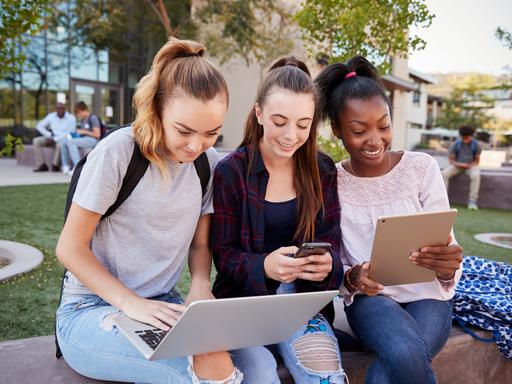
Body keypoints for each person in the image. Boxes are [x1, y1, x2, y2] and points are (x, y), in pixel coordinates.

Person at [55, 37, 273, 384]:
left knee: (261, 367)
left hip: (164, 304)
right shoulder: (118, 153)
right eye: (184, 130)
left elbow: (200, 245)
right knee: (207, 367)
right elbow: (69, 247)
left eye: (211, 134)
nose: (195, 145)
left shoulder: (206, 164)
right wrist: (131, 304)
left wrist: (200, 284)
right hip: (91, 310)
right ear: (157, 109)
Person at [315, 56, 464, 384]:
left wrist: (448, 264)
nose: (375, 139)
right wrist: (353, 278)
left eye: (383, 126)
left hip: (428, 295)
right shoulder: (331, 181)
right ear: (338, 130)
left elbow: (447, 243)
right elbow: (334, 262)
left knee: (391, 368)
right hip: (372, 299)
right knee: (403, 350)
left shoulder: (421, 168)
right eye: (358, 130)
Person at [211, 56, 347, 383]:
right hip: (242, 305)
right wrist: (264, 267)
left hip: (301, 306)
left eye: (303, 125)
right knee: (260, 376)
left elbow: (333, 250)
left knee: (325, 377)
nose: (290, 135)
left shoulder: (323, 169)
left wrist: (328, 267)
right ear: (259, 114)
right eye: (279, 121)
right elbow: (223, 254)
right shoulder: (232, 172)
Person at [442, 126, 481, 210]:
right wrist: (459, 164)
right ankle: (443, 200)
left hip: (471, 165)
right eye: (463, 137)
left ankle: (472, 201)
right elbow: (451, 160)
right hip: (457, 165)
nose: (465, 139)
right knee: (444, 173)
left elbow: (477, 161)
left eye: (467, 137)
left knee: (475, 176)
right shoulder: (456, 144)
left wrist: (468, 165)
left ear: (472, 136)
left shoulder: (476, 145)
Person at [60, 101, 101, 174]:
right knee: (64, 141)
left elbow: (97, 134)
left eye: (78, 113)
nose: (78, 115)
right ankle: (65, 166)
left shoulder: (93, 118)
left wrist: (84, 131)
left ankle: (77, 167)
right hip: (85, 139)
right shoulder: (83, 120)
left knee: (70, 142)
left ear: (82, 110)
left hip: (94, 140)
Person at [32, 102, 76, 172]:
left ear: (65, 109)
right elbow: (39, 126)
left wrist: (54, 139)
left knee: (60, 144)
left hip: (63, 140)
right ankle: (42, 165)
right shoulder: (51, 116)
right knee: (36, 141)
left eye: (62, 108)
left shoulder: (71, 118)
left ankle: (55, 165)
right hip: (51, 137)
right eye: (58, 109)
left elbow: (70, 133)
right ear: (56, 109)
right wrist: (49, 135)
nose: (60, 110)